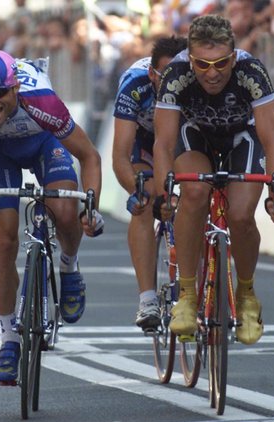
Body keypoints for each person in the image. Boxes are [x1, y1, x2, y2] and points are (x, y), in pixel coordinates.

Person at [0, 50, 104, 384]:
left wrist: (91, 209)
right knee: (2, 239)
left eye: (0, 93)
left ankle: (69, 265)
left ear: (15, 87)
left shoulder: (42, 101)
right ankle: (8, 338)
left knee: (64, 211)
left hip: (42, 143)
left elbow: (90, 156)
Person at [152, 14, 274, 345]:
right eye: (202, 64)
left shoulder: (251, 72)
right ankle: (186, 297)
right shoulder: (176, 73)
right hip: (195, 136)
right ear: (190, 58)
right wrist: (164, 193)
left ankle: (246, 296)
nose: (212, 73)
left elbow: (273, 141)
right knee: (195, 192)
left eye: (221, 63)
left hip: (242, 137)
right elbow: (164, 143)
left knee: (241, 216)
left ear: (233, 55)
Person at [111, 35, 187, 331]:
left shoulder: (196, 81)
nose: (171, 83)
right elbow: (119, 155)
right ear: (152, 75)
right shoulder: (135, 84)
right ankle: (147, 299)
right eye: (163, 77)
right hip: (144, 142)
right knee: (144, 202)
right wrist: (136, 190)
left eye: (177, 76)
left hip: (180, 140)